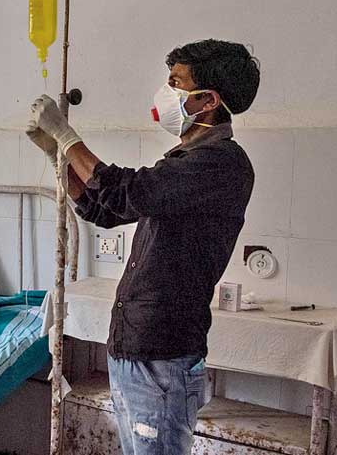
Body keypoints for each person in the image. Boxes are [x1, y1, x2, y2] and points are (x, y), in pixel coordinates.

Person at [26, 39, 259, 454]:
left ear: (207, 100)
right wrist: (57, 158)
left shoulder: (222, 163)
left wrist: (66, 135)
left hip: (163, 355)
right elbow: (105, 209)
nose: (165, 91)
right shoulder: (184, 159)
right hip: (136, 347)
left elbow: (127, 190)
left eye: (176, 82)